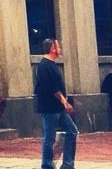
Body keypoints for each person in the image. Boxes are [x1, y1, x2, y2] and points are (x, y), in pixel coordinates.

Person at [33, 38, 78, 169]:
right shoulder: (43, 66)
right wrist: (65, 102)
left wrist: (65, 102)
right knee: (49, 138)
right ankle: (46, 165)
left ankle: (68, 165)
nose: (60, 49)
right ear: (52, 48)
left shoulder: (52, 65)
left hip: (59, 108)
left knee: (72, 131)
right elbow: (52, 88)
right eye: (58, 47)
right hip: (49, 108)